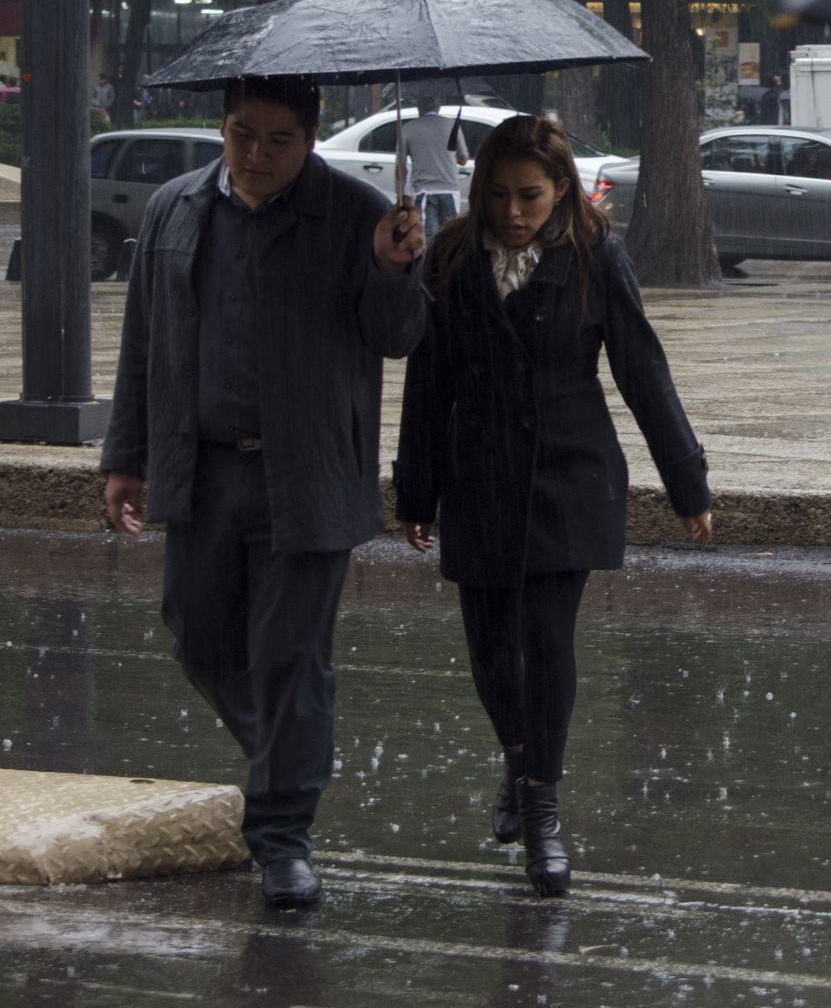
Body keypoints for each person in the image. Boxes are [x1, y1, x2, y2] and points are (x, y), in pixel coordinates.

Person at [101, 75, 428, 910]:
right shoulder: (177, 208)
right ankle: (290, 757)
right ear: (223, 126)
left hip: (310, 471)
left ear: (311, 138)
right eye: (243, 133)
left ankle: (283, 835)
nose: (255, 154)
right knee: (198, 638)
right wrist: (125, 455)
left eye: (278, 140)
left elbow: (396, 338)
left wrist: (396, 269)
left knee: (289, 656)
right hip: (203, 467)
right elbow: (145, 339)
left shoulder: (356, 214)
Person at [394, 114, 713, 898]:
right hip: (478, 473)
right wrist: (416, 489)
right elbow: (428, 381)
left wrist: (687, 483)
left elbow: (643, 368)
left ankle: (542, 807)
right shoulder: (451, 253)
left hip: (569, 472)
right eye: (499, 194)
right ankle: (517, 757)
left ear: (561, 188)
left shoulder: (596, 254)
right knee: (491, 651)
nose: (513, 211)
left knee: (547, 641)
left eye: (530, 195)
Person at [400, 95, 470, 237]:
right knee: (450, 236)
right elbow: (463, 159)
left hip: (424, 192)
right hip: (450, 190)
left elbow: (400, 168)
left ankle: (431, 259)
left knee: (429, 237)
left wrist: (401, 194)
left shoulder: (407, 128)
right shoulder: (452, 125)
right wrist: (445, 157)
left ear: (419, 107)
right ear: (438, 107)